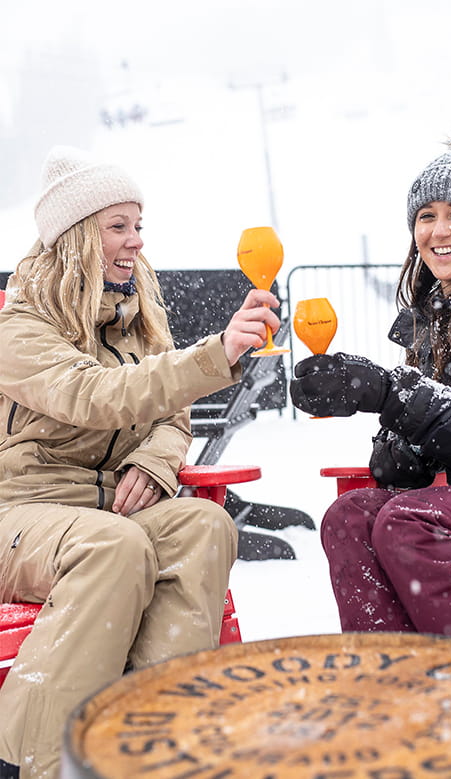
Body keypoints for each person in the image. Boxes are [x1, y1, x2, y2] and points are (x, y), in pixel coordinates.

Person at [0, 145, 281, 779]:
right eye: (118, 226)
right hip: (20, 517)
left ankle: (152, 744)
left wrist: (155, 463)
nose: (136, 241)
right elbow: (93, 395)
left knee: (203, 526)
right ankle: (38, 761)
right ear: (76, 237)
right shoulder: (19, 327)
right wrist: (216, 354)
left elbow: (169, 413)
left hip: (104, 514)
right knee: (114, 547)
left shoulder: (136, 319)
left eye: (139, 224)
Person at [291, 122, 451, 661]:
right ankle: (396, 681)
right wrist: (370, 400)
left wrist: (392, 394)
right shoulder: (433, 315)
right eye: (426, 216)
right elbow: (405, 469)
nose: (440, 230)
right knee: (350, 517)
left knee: (406, 521)